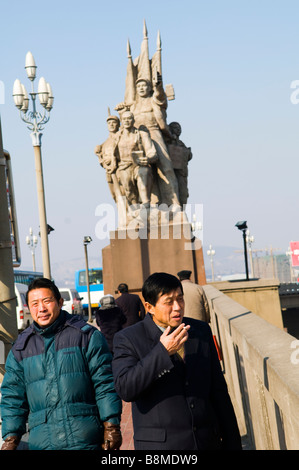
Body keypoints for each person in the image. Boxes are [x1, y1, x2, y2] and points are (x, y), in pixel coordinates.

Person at [112, 272, 242, 450]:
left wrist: (232, 442)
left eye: (180, 299)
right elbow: (126, 388)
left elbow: (219, 392)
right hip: (162, 448)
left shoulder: (200, 331)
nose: (177, 307)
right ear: (149, 307)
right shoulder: (128, 338)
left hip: (206, 442)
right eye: (168, 302)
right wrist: (162, 352)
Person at [0, 278, 122, 451]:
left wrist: (112, 426)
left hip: (85, 439)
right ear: (28, 307)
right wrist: (11, 439)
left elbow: (105, 384)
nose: (41, 308)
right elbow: (13, 397)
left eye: (47, 301)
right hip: (42, 442)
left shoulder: (86, 336)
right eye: (34, 304)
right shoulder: (21, 348)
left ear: (60, 302)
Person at [116, 110, 158, 209]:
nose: (126, 121)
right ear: (121, 121)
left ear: (133, 120)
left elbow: (151, 151)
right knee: (128, 189)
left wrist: (148, 159)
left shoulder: (141, 134)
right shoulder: (117, 136)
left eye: (129, 118)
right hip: (124, 166)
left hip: (139, 165)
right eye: (124, 119)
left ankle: (146, 202)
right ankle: (134, 207)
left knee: (143, 172)